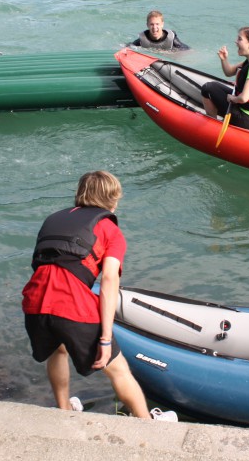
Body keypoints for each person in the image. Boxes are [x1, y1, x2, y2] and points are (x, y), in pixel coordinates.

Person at [21, 170, 177, 421]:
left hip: (34, 302)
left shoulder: (53, 219)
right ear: (113, 199)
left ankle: (63, 411)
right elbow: (109, 279)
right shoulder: (110, 231)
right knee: (118, 369)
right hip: (72, 305)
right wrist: (105, 338)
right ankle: (148, 423)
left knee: (57, 350)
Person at [200, 26, 249, 131]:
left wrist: (232, 98)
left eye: (240, 39)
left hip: (247, 119)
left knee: (206, 88)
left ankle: (213, 127)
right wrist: (224, 59)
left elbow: (243, 98)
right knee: (213, 86)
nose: (236, 42)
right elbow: (229, 72)